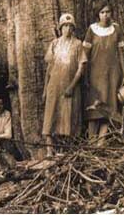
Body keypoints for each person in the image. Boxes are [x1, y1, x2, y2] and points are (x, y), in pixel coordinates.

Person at [42, 13, 87, 157]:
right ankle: (49, 149)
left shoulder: (78, 44)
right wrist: (45, 88)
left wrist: (72, 86)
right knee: (50, 114)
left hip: (70, 85)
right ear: (60, 28)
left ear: (73, 28)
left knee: (69, 115)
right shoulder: (55, 43)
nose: (67, 29)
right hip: (54, 85)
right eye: (64, 26)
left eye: (70, 26)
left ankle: (66, 150)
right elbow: (49, 68)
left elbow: (81, 67)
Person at [83, 0, 124, 145]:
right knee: (93, 107)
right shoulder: (92, 29)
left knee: (110, 106)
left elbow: (121, 53)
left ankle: (101, 142)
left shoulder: (117, 29)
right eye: (102, 12)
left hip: (113, 74)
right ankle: (91, 141)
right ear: (98, 14)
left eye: (108, 12)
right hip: (95, 74)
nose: (105, 15)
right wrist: (85, 74)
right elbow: (85, 55)